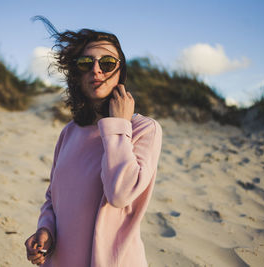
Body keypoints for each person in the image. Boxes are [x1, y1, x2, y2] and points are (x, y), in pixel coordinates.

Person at [25, 16, 162, 267]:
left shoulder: (144, 129)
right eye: (86, 63)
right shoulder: (69, 132)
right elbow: (53, 197)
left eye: (108, 63)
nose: (96, 70)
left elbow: (120, 194)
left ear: (121, 72)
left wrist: (119, 126)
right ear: (77, 74)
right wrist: (46, 229)